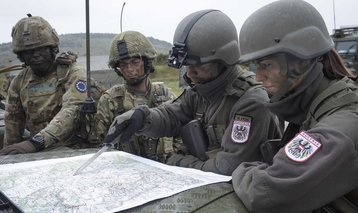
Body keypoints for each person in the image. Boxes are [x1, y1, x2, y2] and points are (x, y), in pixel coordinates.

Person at [104, 10, 281, 175]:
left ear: (222, 60)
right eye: (186, 65)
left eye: (197, 65)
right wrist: (142, 118)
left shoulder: (250, 100)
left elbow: (229, 167)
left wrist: (178, 163)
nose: (189, 73)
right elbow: (171, 115)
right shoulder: (201, 89)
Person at [232, 0, 358, 212]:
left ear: (301, 60)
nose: (258, 76)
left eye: (266, 65)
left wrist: (243, 170)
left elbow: (265, 194)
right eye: (256, 66)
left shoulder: (341, 126)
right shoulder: (316, 107)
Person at [0, 15, 94, 155]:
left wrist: (37, 142)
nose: (35, 55)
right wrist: (10, 154)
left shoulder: (72, 72)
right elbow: (13, 122)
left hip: (74, 149)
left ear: (52, 49)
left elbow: (74, 109)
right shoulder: (19, 82)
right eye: (28, 52)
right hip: (38, 151)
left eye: (41, 49)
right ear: (21, 55)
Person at [95, 30, 177, 161]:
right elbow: (100, 146)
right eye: (123, 64)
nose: (129, 69)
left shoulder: (166, 96)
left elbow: (181, 139)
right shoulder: (110, 101)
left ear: (146, 62)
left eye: (134, 62)